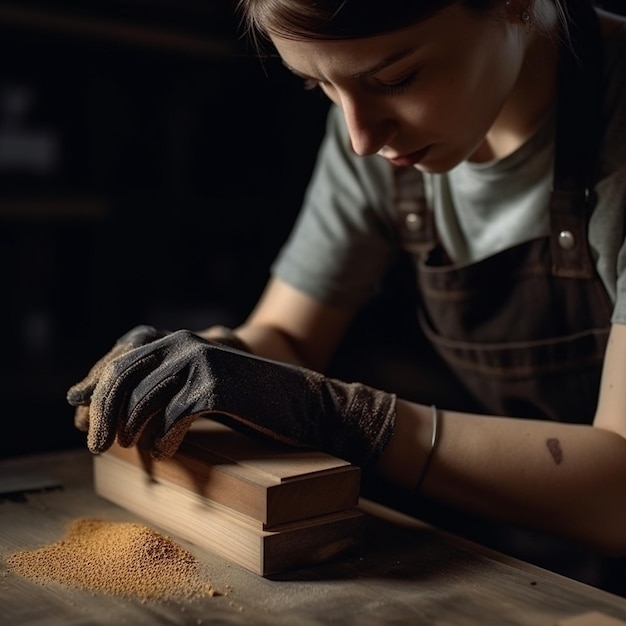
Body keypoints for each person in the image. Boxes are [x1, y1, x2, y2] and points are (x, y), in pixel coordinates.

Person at [68, 0, 626, 592]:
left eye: (396, 78)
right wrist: (209, 362)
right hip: (521, 557)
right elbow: (286, 337)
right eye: (319, 85)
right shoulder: (379, 128)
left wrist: (347, 418)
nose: (361, 139)